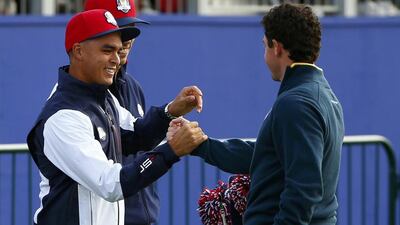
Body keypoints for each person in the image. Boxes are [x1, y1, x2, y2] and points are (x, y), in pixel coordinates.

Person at [168, 3, 345, 225]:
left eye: (265, 46)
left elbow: (305, 190)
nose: (264, 55)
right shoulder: (321, 95)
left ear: (277, 47)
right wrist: (201, 145)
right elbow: (266, 154)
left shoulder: (296, 103)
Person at [27, 9, 207, 225]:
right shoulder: (63, 116)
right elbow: (111, 184)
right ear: (78, 51)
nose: (116, 59)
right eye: (107, 50)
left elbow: (136, 136)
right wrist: (171, 150)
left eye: (118, 50)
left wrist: (170, 111)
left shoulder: (102, 98)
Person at [83, 1, 200, 224]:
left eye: (132, 29)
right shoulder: (77, 101)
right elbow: (109, 173)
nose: (127, 40)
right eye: (119, 29)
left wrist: (169, 119)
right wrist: (170, 148)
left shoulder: (132, 86)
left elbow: (138, 138)